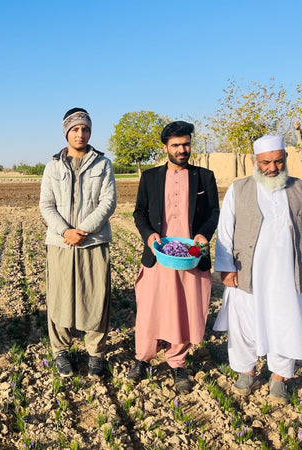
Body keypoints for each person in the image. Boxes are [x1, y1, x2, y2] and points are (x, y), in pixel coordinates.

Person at [213, 135, 302, 404]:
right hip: (247, 271)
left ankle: (279, 378)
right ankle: (246, 371)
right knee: (244, 323)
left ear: (285, 157)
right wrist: (226, 267)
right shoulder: (238, 189)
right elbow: (225, 231)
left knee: (286, 322)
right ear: (254, 161)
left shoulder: (299, 188)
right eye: (266, 162)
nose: (273, 167)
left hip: (287, 273)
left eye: (278, 161)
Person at [129, 121, 219, 393]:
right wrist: (149, 236)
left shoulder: (204, 176)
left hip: (190, 256)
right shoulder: (151, 177)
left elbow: (214, 212)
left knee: (185, 308)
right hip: (159, 255)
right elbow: (139, 213)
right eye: (176, 145)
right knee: (149, 308)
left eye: (186, 144)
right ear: (165, 147)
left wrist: (203, 235)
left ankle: (177, 362)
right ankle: (143, 359)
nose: (182, 149)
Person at [39, 108, 116, 379]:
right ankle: (61, 351)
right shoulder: (53, 166)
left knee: (96, 298)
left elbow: (108, 202)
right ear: (66, 132)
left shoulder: (102, 164)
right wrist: (65, 231)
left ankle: (96, 353)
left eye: (85, 129)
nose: (80, 134)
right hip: (60, 243)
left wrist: (83, 229)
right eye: (75, 129)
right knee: (59, 297)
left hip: (93, 241)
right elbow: (46, 205)